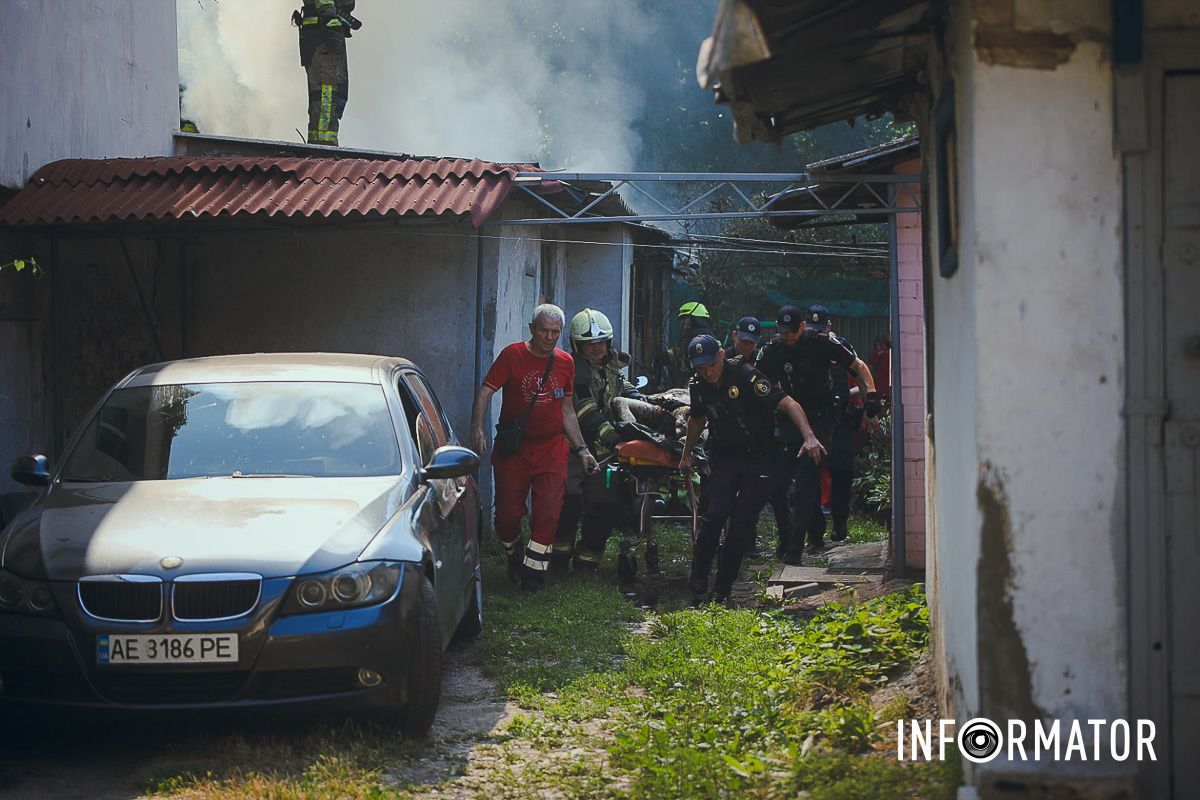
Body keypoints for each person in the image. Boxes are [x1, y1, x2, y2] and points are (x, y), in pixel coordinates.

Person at [678, 335, 823, 603]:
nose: (707, 372)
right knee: (714, 516)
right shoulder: (699, 385)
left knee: (741, 526)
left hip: (759, 459)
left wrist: (809, 436)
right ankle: (699, 575)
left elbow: (788, 403)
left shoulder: (745, 375)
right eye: (700, 368)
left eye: (711, 365)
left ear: (721, 355)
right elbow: (697, 417)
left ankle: (722, 588)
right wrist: (686, 454)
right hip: (724, 456)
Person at [470, 304, 599, 592]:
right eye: (544, 330)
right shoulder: (512, 355)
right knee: (506, 516)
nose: (549, 337)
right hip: (514, 448)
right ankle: (514, 553)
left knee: (549, 511)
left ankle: (533, 574)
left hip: (551, 447)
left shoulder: (565, 362)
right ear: (532, 329)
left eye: (555, 332)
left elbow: (567, 410)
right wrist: (477, 427)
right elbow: (485, 392)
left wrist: (582, 449)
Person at [554, 308, 672, 580]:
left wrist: (649, 409)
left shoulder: (611, 367)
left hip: (605, 454)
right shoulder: (575, 371)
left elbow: (627, 392)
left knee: (603, 506)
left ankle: (587, 561)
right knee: (567, 505)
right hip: (576, 449)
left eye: (601, 342)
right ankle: (558, 560)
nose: (596, 348)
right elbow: (586, 413)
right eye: (589, 344)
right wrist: (619, 440)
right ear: (577, 345)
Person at [757, 304, 880, 562]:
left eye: (792, 331)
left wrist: (872, 398)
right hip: (790, 418)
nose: (788, 336)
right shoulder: (773, 350)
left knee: (807, 482)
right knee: (777, 487)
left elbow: (858, 365)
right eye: (783, 332)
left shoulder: (823, 344)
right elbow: (758, 382)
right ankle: (790, 534)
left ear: (802, 327)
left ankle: (794, 549)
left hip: (822, 418)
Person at [294, 0, 360, 146]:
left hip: (324, 27)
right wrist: (328, 9)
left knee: (328, 92)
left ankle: (320, 142)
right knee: (327, 92)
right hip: (325, 28)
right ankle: (324, 145)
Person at [825, 321, 865, 542]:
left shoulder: (841, 348)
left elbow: (860, 375)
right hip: (813, 419)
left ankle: (839, 524)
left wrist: (869, 407)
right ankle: (811, 530)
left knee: (840, 473)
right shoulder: (801, 348)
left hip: (840, 419)